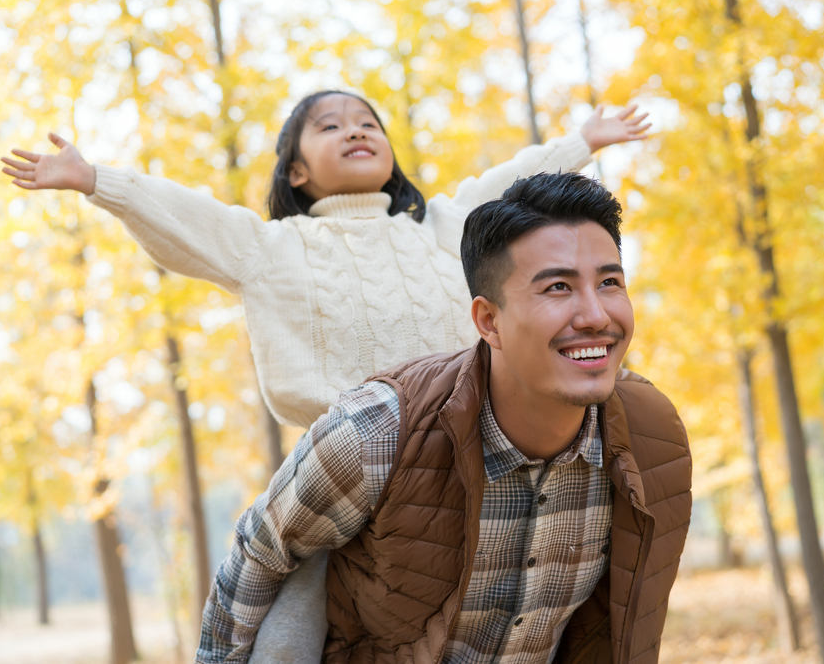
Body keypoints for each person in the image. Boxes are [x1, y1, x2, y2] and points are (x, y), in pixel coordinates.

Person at [199, 171, 692, 664]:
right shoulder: (377, 433)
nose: (594, 315)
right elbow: (256, 559)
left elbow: (629, 625)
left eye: (609, 282)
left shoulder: (654, 438)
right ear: (488, 321)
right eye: (558, 287)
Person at [0, 90, 649, 429]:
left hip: (467, 426)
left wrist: (582, 140)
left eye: (368, 122)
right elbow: (184, 214)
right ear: (298, 171)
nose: (357, 130)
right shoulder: (268, 248)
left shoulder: (442, 225)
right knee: (283, 589)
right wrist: (96, 180)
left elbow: (506, 179)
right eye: (331, 126)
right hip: (349, 452)